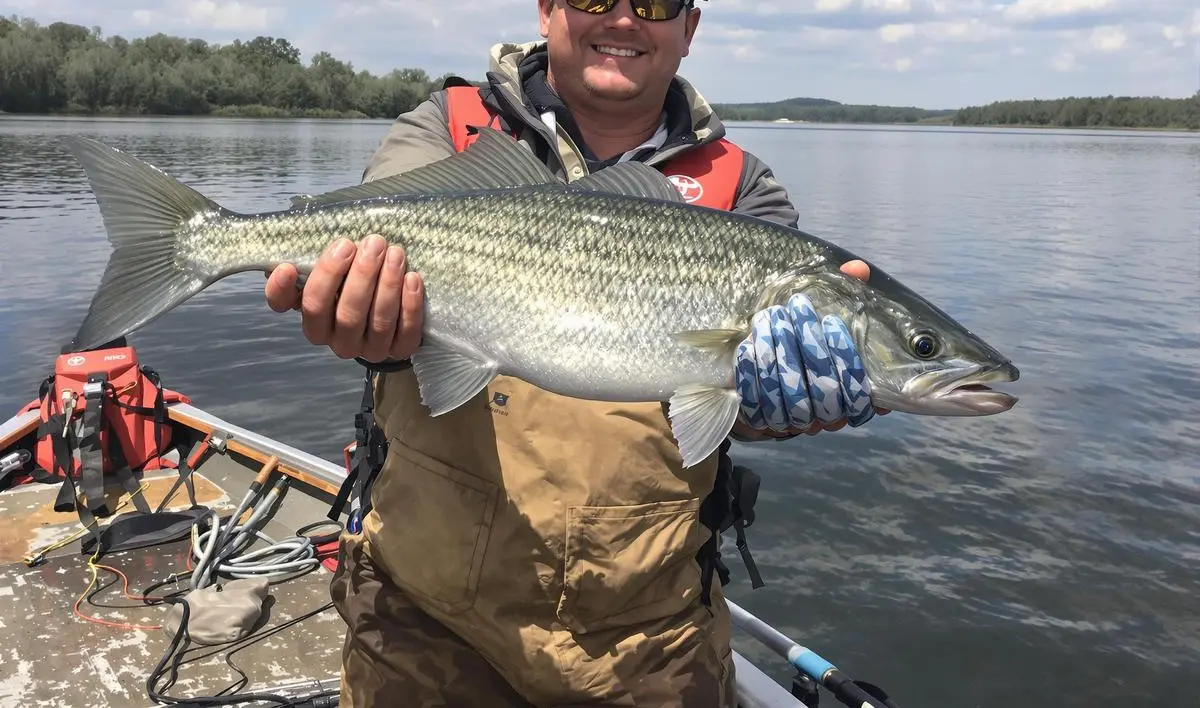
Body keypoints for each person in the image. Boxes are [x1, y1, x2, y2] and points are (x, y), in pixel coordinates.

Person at [265, 1, 881, 705]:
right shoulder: (448, 127)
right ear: (547, 9)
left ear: (689, 28)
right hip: (420, 624)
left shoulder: (743, 188)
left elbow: (732, 406)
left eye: (654, 2)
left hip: (648, 644)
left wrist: (782, 407)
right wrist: (373, 330)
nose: (623, 20)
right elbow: (370, 271)